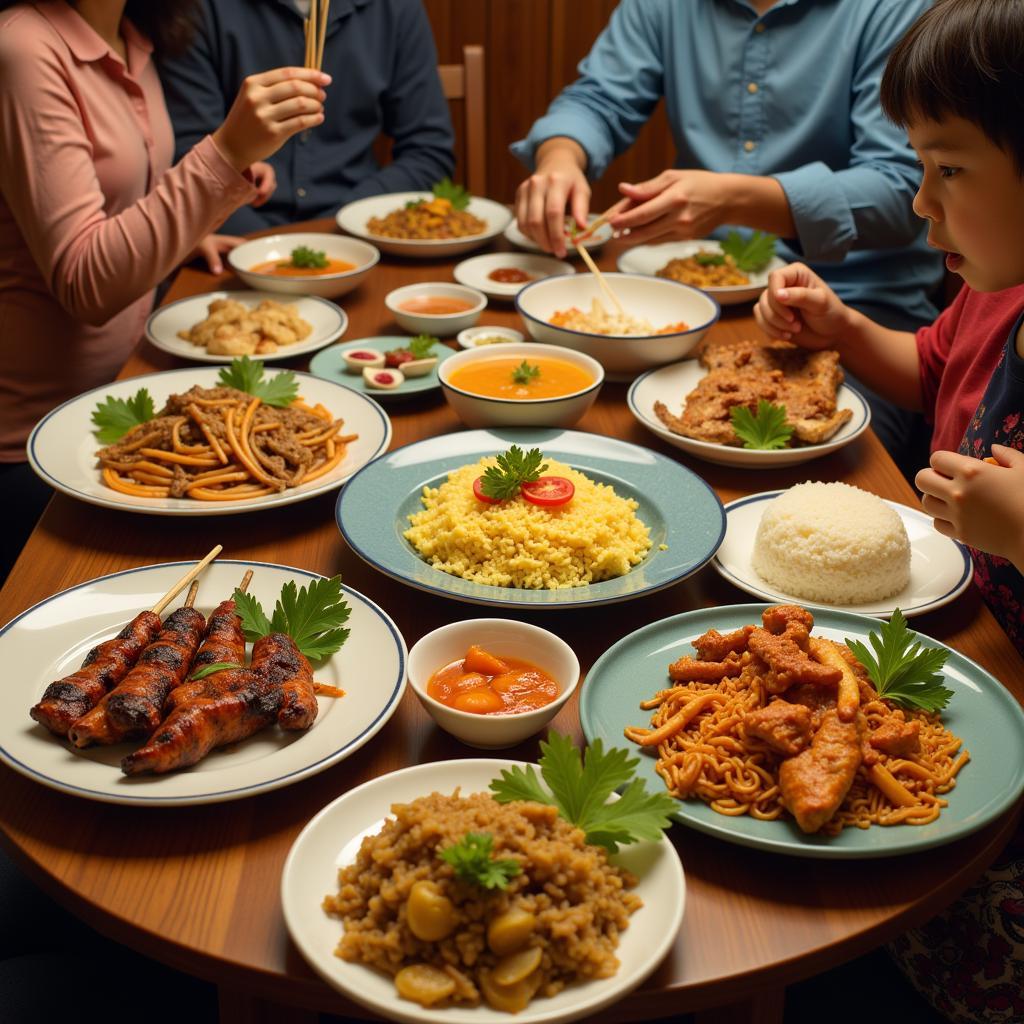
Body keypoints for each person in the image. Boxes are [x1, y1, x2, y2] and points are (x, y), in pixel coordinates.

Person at [754, 2, 1024, 1017]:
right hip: (947, 646)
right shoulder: (995, 291)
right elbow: (925, 367)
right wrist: (842, 326)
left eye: (948, 170)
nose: (920, 205)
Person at [511, 0, 942, 477]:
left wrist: (735, 199)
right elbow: (598, 98)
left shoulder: (894, 9)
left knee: (802, 487)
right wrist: (560, 159)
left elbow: (904, 189)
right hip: (701, 297)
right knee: (607, 453)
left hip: (859, 312)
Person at [0, 0, 329, 580]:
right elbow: (85, 280)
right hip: (42, 452)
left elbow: (114, 207)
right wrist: (226, 152)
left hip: (133, 395)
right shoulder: (23, 48)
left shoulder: (132, 34)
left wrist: (191, 231)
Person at [158, 0, 456, 235]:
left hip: (358, 231)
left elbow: (428, 151)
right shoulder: (195, 7)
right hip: (230, 238)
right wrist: (265, 249)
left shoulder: (394, 7)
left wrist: (339, 227)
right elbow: (184, 151)